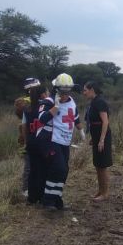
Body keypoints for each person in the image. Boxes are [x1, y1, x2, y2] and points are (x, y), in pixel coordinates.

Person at [41, 73, 83, 210]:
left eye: (67, 92)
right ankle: (48, 201)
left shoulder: (71, 101)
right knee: (58, 168)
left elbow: (75, 117)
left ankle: (57, 199)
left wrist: (81, 131)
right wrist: (56, 107)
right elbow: (42, 119)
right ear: (57, 89)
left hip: (65, 141)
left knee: (64, 171)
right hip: (52, 140)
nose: (65, 95)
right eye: (62, 92)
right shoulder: (48, 101)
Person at [83, 81, 113, 201]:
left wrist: (101, 140)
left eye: (85, 90)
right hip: (96, 136)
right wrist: (93, 138)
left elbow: (105, 122)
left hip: (102, 137)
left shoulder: (100, 102)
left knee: (102, 165)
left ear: (92, 90)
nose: (84, 93)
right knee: (97, 165)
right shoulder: (93, 102)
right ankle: (100, 191)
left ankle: (105, 193)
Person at [22, 82, 51, 205]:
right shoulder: (45, 107)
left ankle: (32, 198)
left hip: (31, 142)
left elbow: (23, 126)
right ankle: (42, 197)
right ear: (43, 94)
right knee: (44, 170)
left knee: (33, 170)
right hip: (43, 142)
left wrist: (26, 141)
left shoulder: (27, 109)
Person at [16, 77, 42, 197]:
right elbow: (23, 124)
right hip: (33, 137)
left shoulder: (37, 102)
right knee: (30, 165)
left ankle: (31, 188)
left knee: (33, 165)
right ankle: (26, 188)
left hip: (34, 137)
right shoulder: (26, 104)